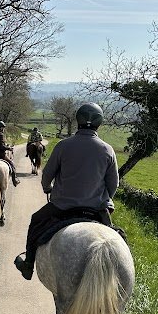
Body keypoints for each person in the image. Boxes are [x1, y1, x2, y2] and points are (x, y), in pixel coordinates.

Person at [13, 102, 118, 280]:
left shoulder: (63, 146)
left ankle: (28, 264)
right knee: (117, 239)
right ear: (99, 123)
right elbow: (113, 184)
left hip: (62, 206)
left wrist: (47, 187)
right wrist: (103, 200)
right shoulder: (108, 150)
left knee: (36, 220)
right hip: (96, 209)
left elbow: (47, 174)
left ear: (78, 120)